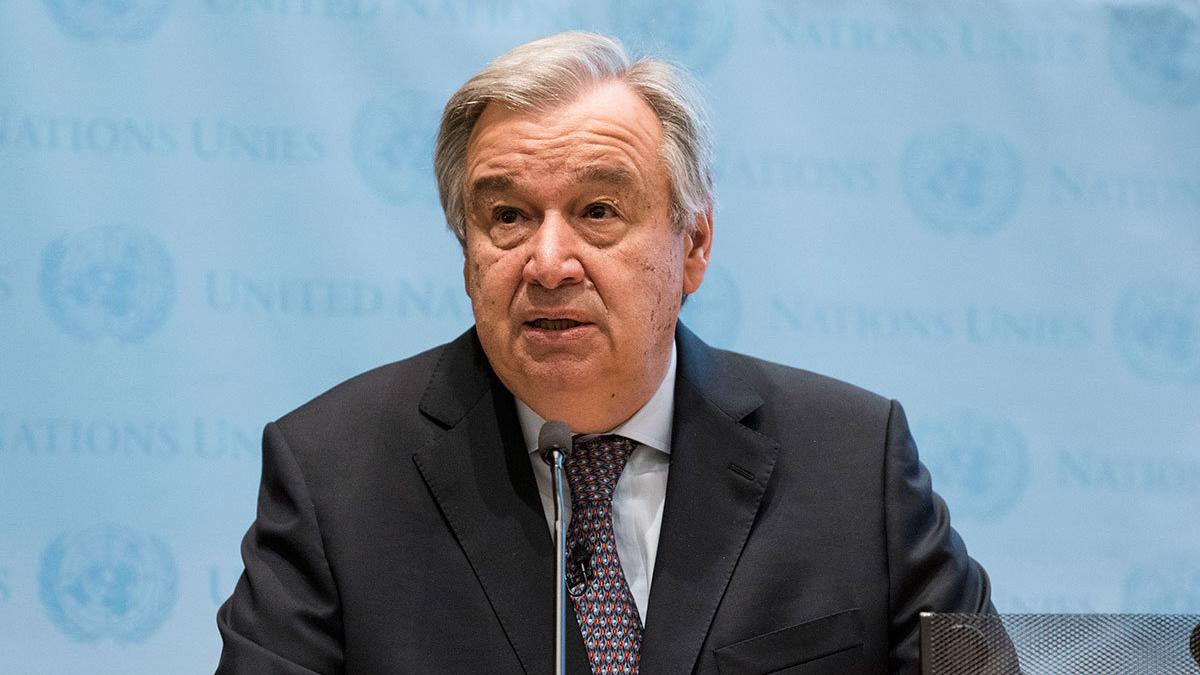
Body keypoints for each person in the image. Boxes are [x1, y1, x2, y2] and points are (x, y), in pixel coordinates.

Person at [216, 31, 994, 675]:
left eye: (597, 210)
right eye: (508, 216)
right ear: (467, 254)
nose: (549, 263)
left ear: (694, 245)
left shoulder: (857, 462)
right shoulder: (333, 474)